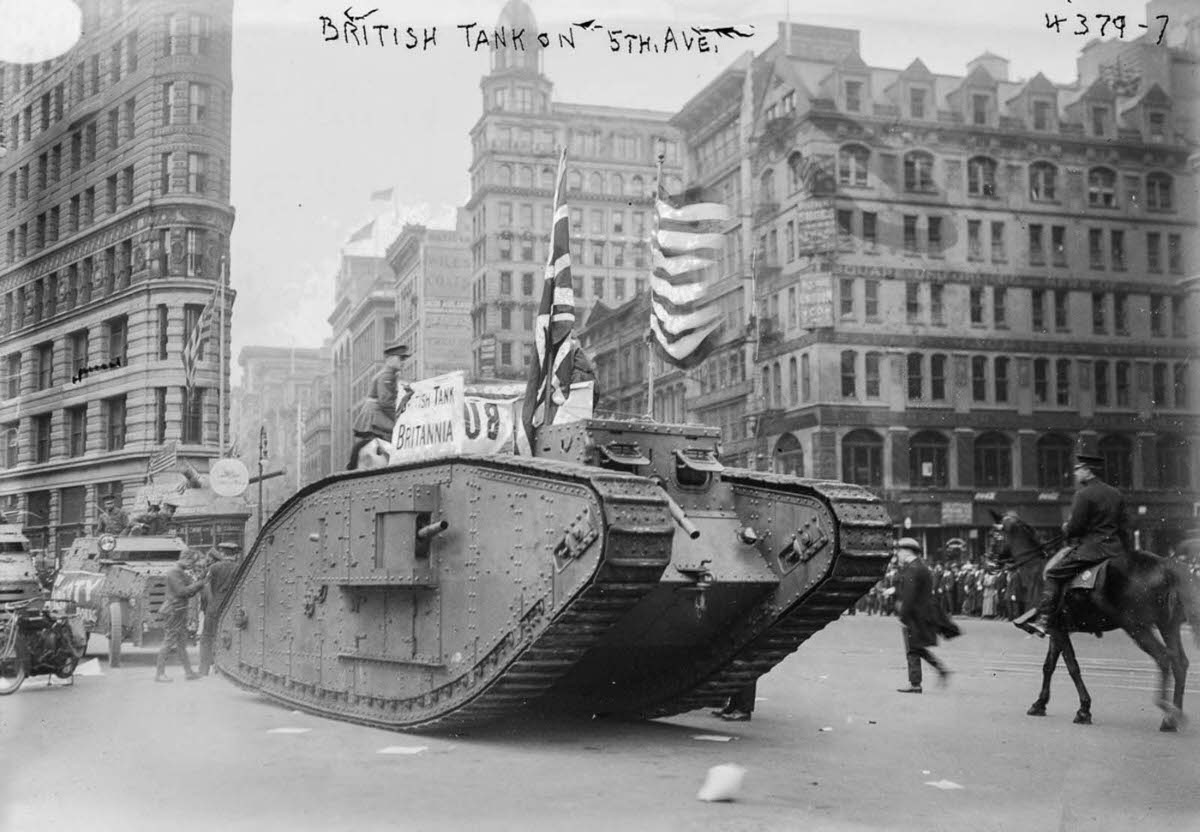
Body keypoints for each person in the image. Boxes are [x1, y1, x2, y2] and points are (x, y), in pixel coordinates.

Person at [1018, 453, 1131, 638]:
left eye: (1078, 470)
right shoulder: (1116, 494)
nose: (1075, 474)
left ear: (1088, 471)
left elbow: (1076, 527)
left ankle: (1044, 619)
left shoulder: (1083, 494)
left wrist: (1067, 528)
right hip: (1116, 549)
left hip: (1092, 549)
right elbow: (1125, 525)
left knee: (1054, 574)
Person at [894, 537, 954, 694]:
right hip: (923, 613)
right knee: (916, 648)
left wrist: (903, 616)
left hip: (915, 615)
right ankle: (938, 671)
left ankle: (916, 684)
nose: (897, 554)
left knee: (913, 649)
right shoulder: (920, 566)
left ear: (907, 551)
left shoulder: (913, 568)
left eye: (899, 551)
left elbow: (909, 595)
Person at [155, 550, 208, 682]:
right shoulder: (174, 572)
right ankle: (159, 674)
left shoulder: (180, 572)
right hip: (174, 610)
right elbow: (182, 591)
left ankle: (188, 672)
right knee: (168, 642)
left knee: (181, 644)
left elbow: (190, 589)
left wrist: (199, 581)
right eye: (191, 562)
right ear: (186, 560)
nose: (192, 565)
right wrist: (200, 583)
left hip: (179, 610)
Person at [353, 341, 412, 442]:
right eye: (400, 358)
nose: (403, 362)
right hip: (375, 415)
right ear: (390, 359)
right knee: (403, 431)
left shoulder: (391, 374)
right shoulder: (387, 375)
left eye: (404, 359)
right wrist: (399, 417)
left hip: (377, 413)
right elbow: (386, 402)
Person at [198, 543, 240, 675]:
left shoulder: (214, 567)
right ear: (235, 554)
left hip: (214, 606)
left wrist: (209, 604)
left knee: (207, 638)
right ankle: (221, 668)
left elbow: (205, 586)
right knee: (227, 637)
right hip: (230, 607)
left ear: (223, 553)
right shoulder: (239, 568)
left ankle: (203, 669)